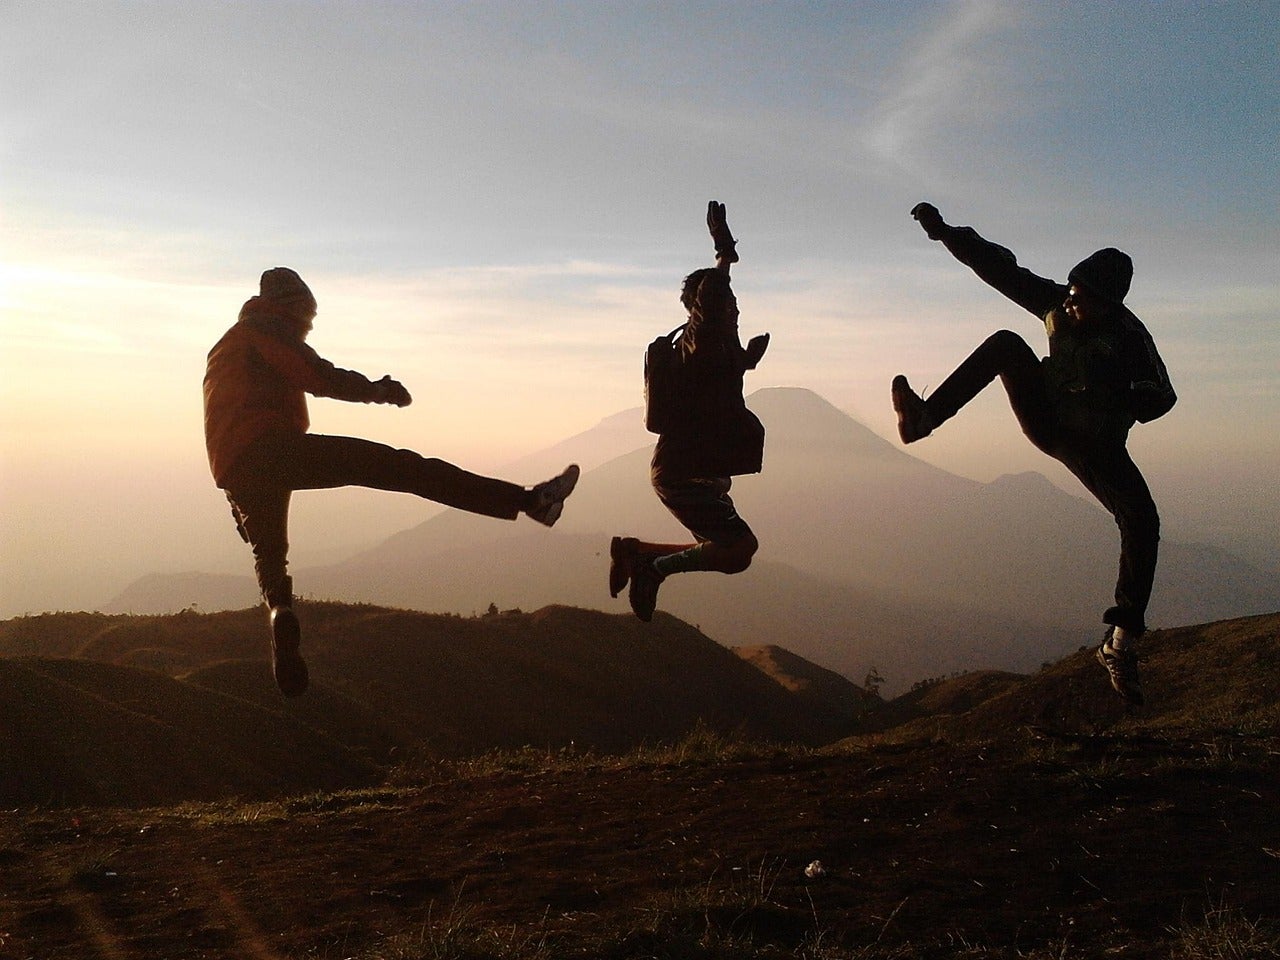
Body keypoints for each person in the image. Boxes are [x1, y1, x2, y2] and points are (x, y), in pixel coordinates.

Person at [204, 267, 579, 697]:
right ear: (291, 307)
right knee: (401, 467)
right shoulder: (266, 328)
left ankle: (280, 616)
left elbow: (221, 429)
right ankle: (531, 501)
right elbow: (319, 376)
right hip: (273, 448)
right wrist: (378, 391)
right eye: (305, 319)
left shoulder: (224, 348)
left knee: (270, 557)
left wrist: (238, 505)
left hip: (235, 470)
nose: (307, 329)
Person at [893, 203, 1175, 706]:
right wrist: (944, 233)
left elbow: (1163, 396)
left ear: (1110, 304)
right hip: (1047, 419)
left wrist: (1126, 397)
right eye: (1071, 292)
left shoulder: (1131, 339)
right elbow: (1001, 268)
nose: (1071, 304)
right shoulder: (1057, 304)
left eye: (1083, 299)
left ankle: (1121, 642)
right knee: (1006, 343)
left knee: (1141, 521)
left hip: (1094, 444)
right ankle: (924, 420)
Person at [609, 202, 770, 622]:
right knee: (740, 550)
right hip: (682, 473)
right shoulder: (700, 341)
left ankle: (638, 554)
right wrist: (723, 254)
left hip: (693, 471)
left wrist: (745, 361)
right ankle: (650, 566)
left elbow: (709, 387)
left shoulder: (707, 349)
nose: (735, 308)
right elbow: (712, 300)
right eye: (727, 302)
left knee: (730, 551)